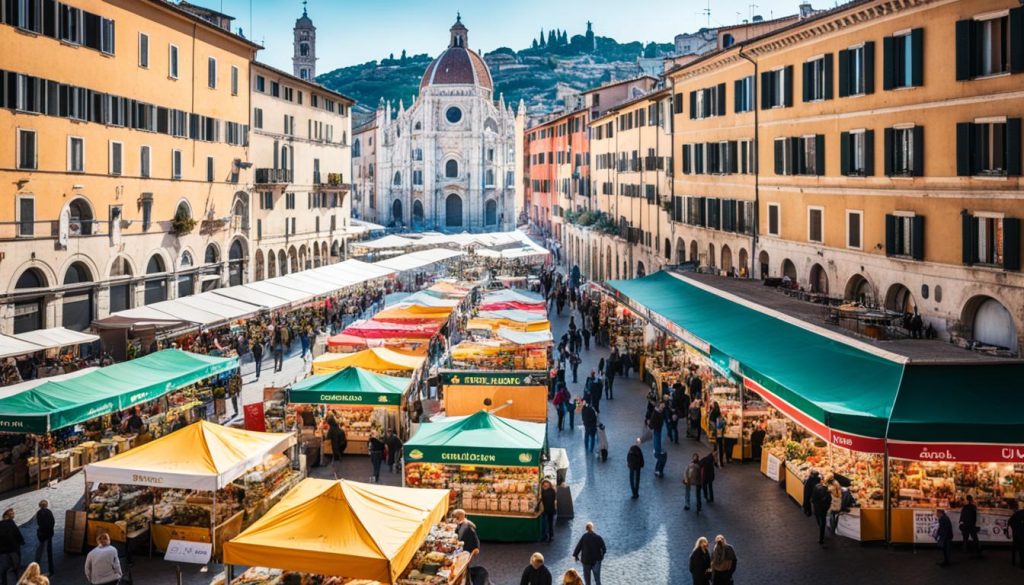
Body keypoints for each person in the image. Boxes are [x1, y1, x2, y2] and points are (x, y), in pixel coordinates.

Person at [0, 509, 23, 585]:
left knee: (4, 570)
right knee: (16, 568)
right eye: (11, 512)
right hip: (13, 549)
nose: (13, 513)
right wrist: (21, 542)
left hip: (2, 552)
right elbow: (17, 534)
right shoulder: (11, 522)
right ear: (6, 514)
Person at [32, 502, 53, 576]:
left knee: (40, 550)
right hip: (48, 533)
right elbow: (52, 522)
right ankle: (49, 570)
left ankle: (37, 566)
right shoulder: (48, 512)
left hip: (41, 534)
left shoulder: (38, 513)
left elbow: (38, 523)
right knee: (47, 552)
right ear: (46, 505)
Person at [811, 475, 832, 545]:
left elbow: (813, 497)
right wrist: (826, 508)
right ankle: (821, 537)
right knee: (822, 522)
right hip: (822, 509)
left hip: (817, 507)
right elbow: (829, 500)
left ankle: (821, 536)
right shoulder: (827, 490)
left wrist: (814, 503)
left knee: (819, 520)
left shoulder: (816, 487)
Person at [1008, 499, 1024, 568]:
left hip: (1017, 535)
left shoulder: (1016, 514)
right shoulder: (1020, 513)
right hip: (1021, 535)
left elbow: (1010, 523)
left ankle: (1018, 562)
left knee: (1020, 549)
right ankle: (1022, 564)